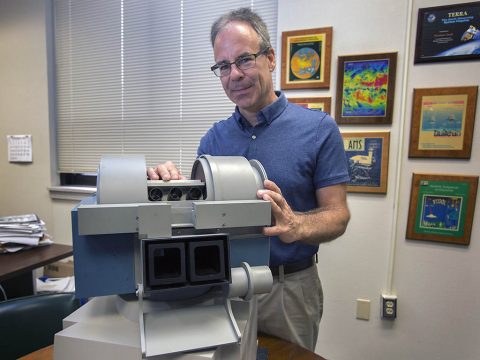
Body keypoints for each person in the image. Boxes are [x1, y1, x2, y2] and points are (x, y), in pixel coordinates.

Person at [147, 7, 350, 351]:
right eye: (223, 66)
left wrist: (296, 224)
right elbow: (201, 217)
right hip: (222, 282)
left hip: (289, 289)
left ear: (270, 58)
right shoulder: (213, 139)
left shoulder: (318, 129)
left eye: (244, 59)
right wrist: (170, 189)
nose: (234, 74)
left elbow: (338, 214)